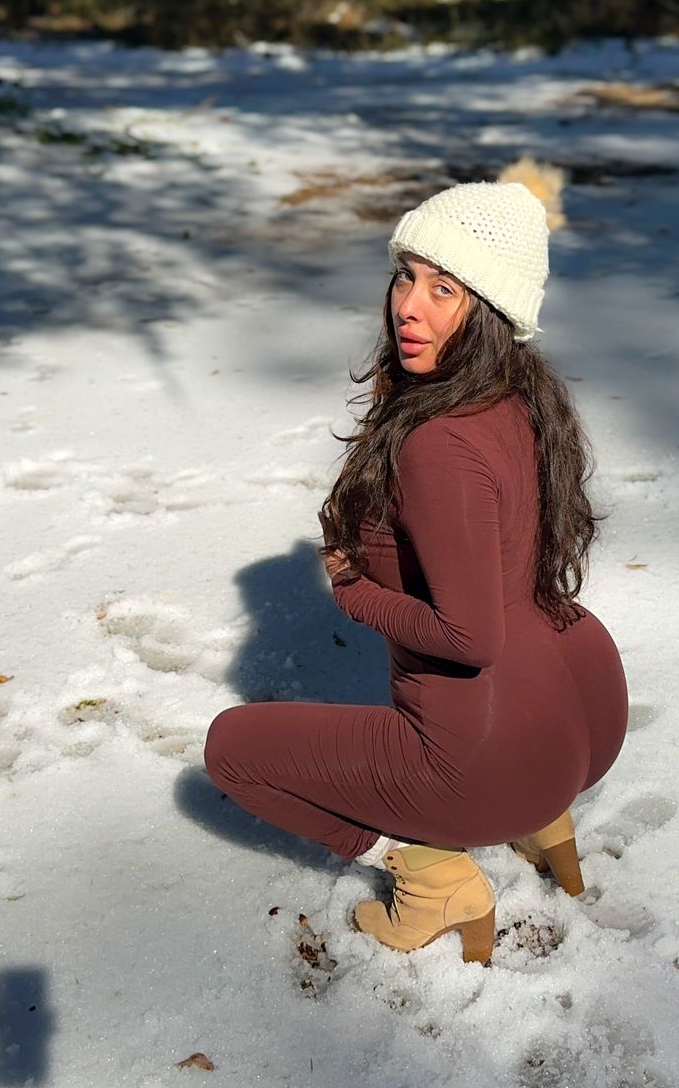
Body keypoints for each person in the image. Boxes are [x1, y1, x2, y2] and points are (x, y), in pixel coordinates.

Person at [204, 158, 629, 966]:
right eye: (406, 275)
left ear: (492, 310)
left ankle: (432, 875)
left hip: (492, 752)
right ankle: (548, 829)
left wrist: (352, 590)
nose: (408, 305)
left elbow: (469, 639)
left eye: (444, 289)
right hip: (576, 714)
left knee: (232, 749)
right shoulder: (521, 396)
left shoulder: (438, 445)